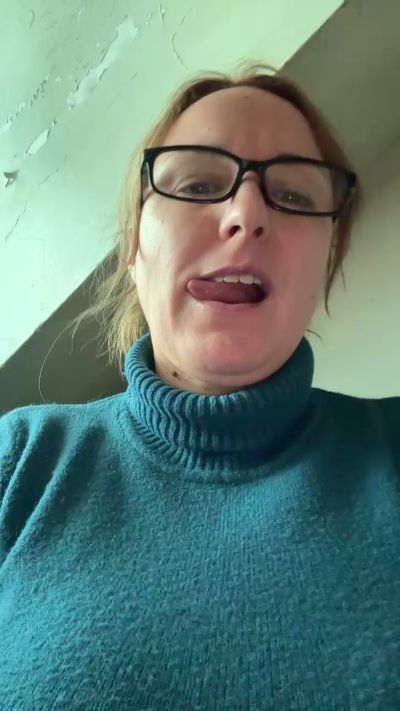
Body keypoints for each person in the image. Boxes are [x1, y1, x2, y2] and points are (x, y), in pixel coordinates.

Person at [0, 62, 399, 710]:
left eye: (295, 196)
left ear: (326, 260)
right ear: (134, 249)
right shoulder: (18, 459)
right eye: (198, 184)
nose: (246, 214)